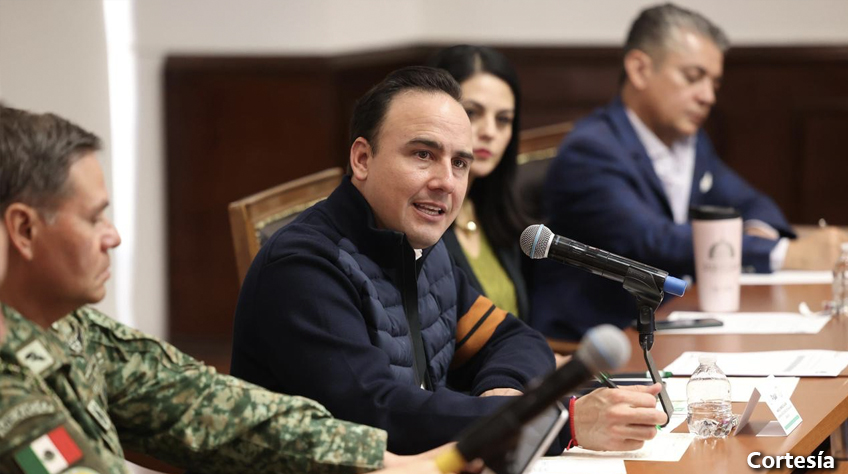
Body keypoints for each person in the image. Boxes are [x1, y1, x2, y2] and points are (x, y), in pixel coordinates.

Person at [0, 103, 465, 474]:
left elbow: (201, 404)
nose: (113, 237)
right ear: (23, 230)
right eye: (93, 217)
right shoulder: (10, 397)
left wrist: (384, 461)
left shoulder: (66, 326)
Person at [230, 66, 667, 457]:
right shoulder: (304, 268)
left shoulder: (422, 248)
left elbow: (513, 338)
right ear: (362, 159)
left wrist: (503, 393)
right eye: (423, 154)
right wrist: (558, 423)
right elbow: (377, 414)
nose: (446, 182)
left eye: (459, 163)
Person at [531, 3, 848, 341]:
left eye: (714, 83)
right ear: (639, 69)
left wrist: (758, 232)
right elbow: (653, 241)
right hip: (597, 341)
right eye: (693, 77)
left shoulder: (690, 143)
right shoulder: (590, 150)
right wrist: (782, 253)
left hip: (675, 320)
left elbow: (749, 200)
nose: (708, 97)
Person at [426, 45, 531, 321]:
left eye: (503, 120)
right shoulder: (419, 220)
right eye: (472, 113)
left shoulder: (496, 213)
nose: (489, 132)